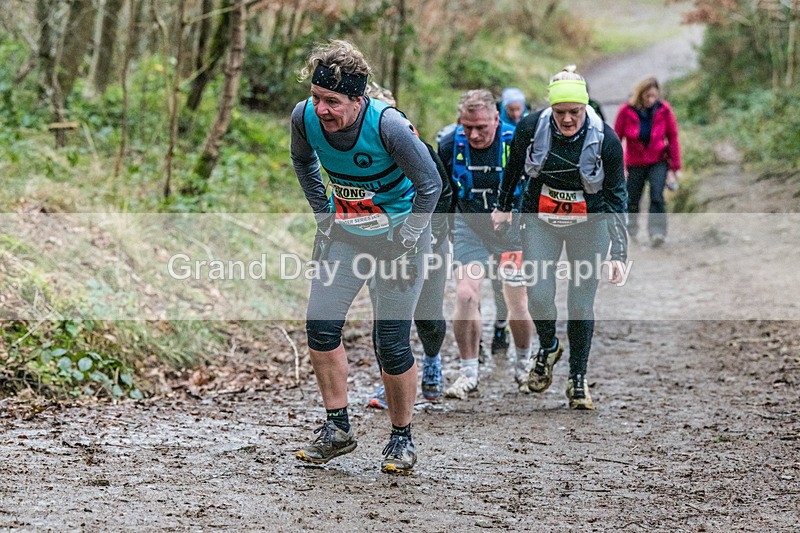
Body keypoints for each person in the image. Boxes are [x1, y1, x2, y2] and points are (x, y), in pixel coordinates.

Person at [290, 40, 441, 474]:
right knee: (320, 325)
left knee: (390, 342)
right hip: (348, 235)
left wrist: (408, 237)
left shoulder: (389, 126)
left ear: (359, 100)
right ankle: (338, 428)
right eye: (317, 98)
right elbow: (302, 163)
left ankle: (401, 438)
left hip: (399, 239)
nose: (321, 109)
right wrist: (323, 215)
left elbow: (431, 185)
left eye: (332, 102)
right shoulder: (304, 118)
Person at [492, 65, 628, 410]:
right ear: (550, 109)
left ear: (586, 108)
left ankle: (577, 379)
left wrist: (619, 252)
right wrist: (503, 206)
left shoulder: (606, 140)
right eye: (560, 112)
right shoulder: (530, 127)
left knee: (581, 304)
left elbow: (616, 197)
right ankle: (549, 346)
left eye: (575, 112)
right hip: (542, 220)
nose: (567, 119)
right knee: (537, 294)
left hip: (590, 223)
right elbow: (513, 168)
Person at [361, 82, 455, 408]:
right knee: (386, 318)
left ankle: (432, 362)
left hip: (426, 241)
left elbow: (442, 192)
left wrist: (434, 233)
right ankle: (389, 384)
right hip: (383, 245)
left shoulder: (418, 148)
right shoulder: (356, 160)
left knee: (428, 314)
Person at [439, 89, 535, 399]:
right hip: (470, 227)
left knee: (515, 299)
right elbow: (441, 192)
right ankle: (468, 372)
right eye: (468, 127)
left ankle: (523, 367)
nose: (475, 134)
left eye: (482, 126)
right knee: (466, 295)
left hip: (510, 230)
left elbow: (533, 188)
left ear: (497, 118)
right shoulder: (450, 145)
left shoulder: (515, 142)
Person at [614, 76, 682, 247]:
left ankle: (657, 232)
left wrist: (675, 166)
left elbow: (672, 137)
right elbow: (616, 139)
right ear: (640, 94)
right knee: (632, 199)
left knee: (657, 195)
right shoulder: (626, 111)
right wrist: (616, 166)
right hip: (635, 162)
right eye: (647, 96)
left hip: (658, 160)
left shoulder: (664, 110)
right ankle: (630, 229)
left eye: (654, 96)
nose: (651, 99)